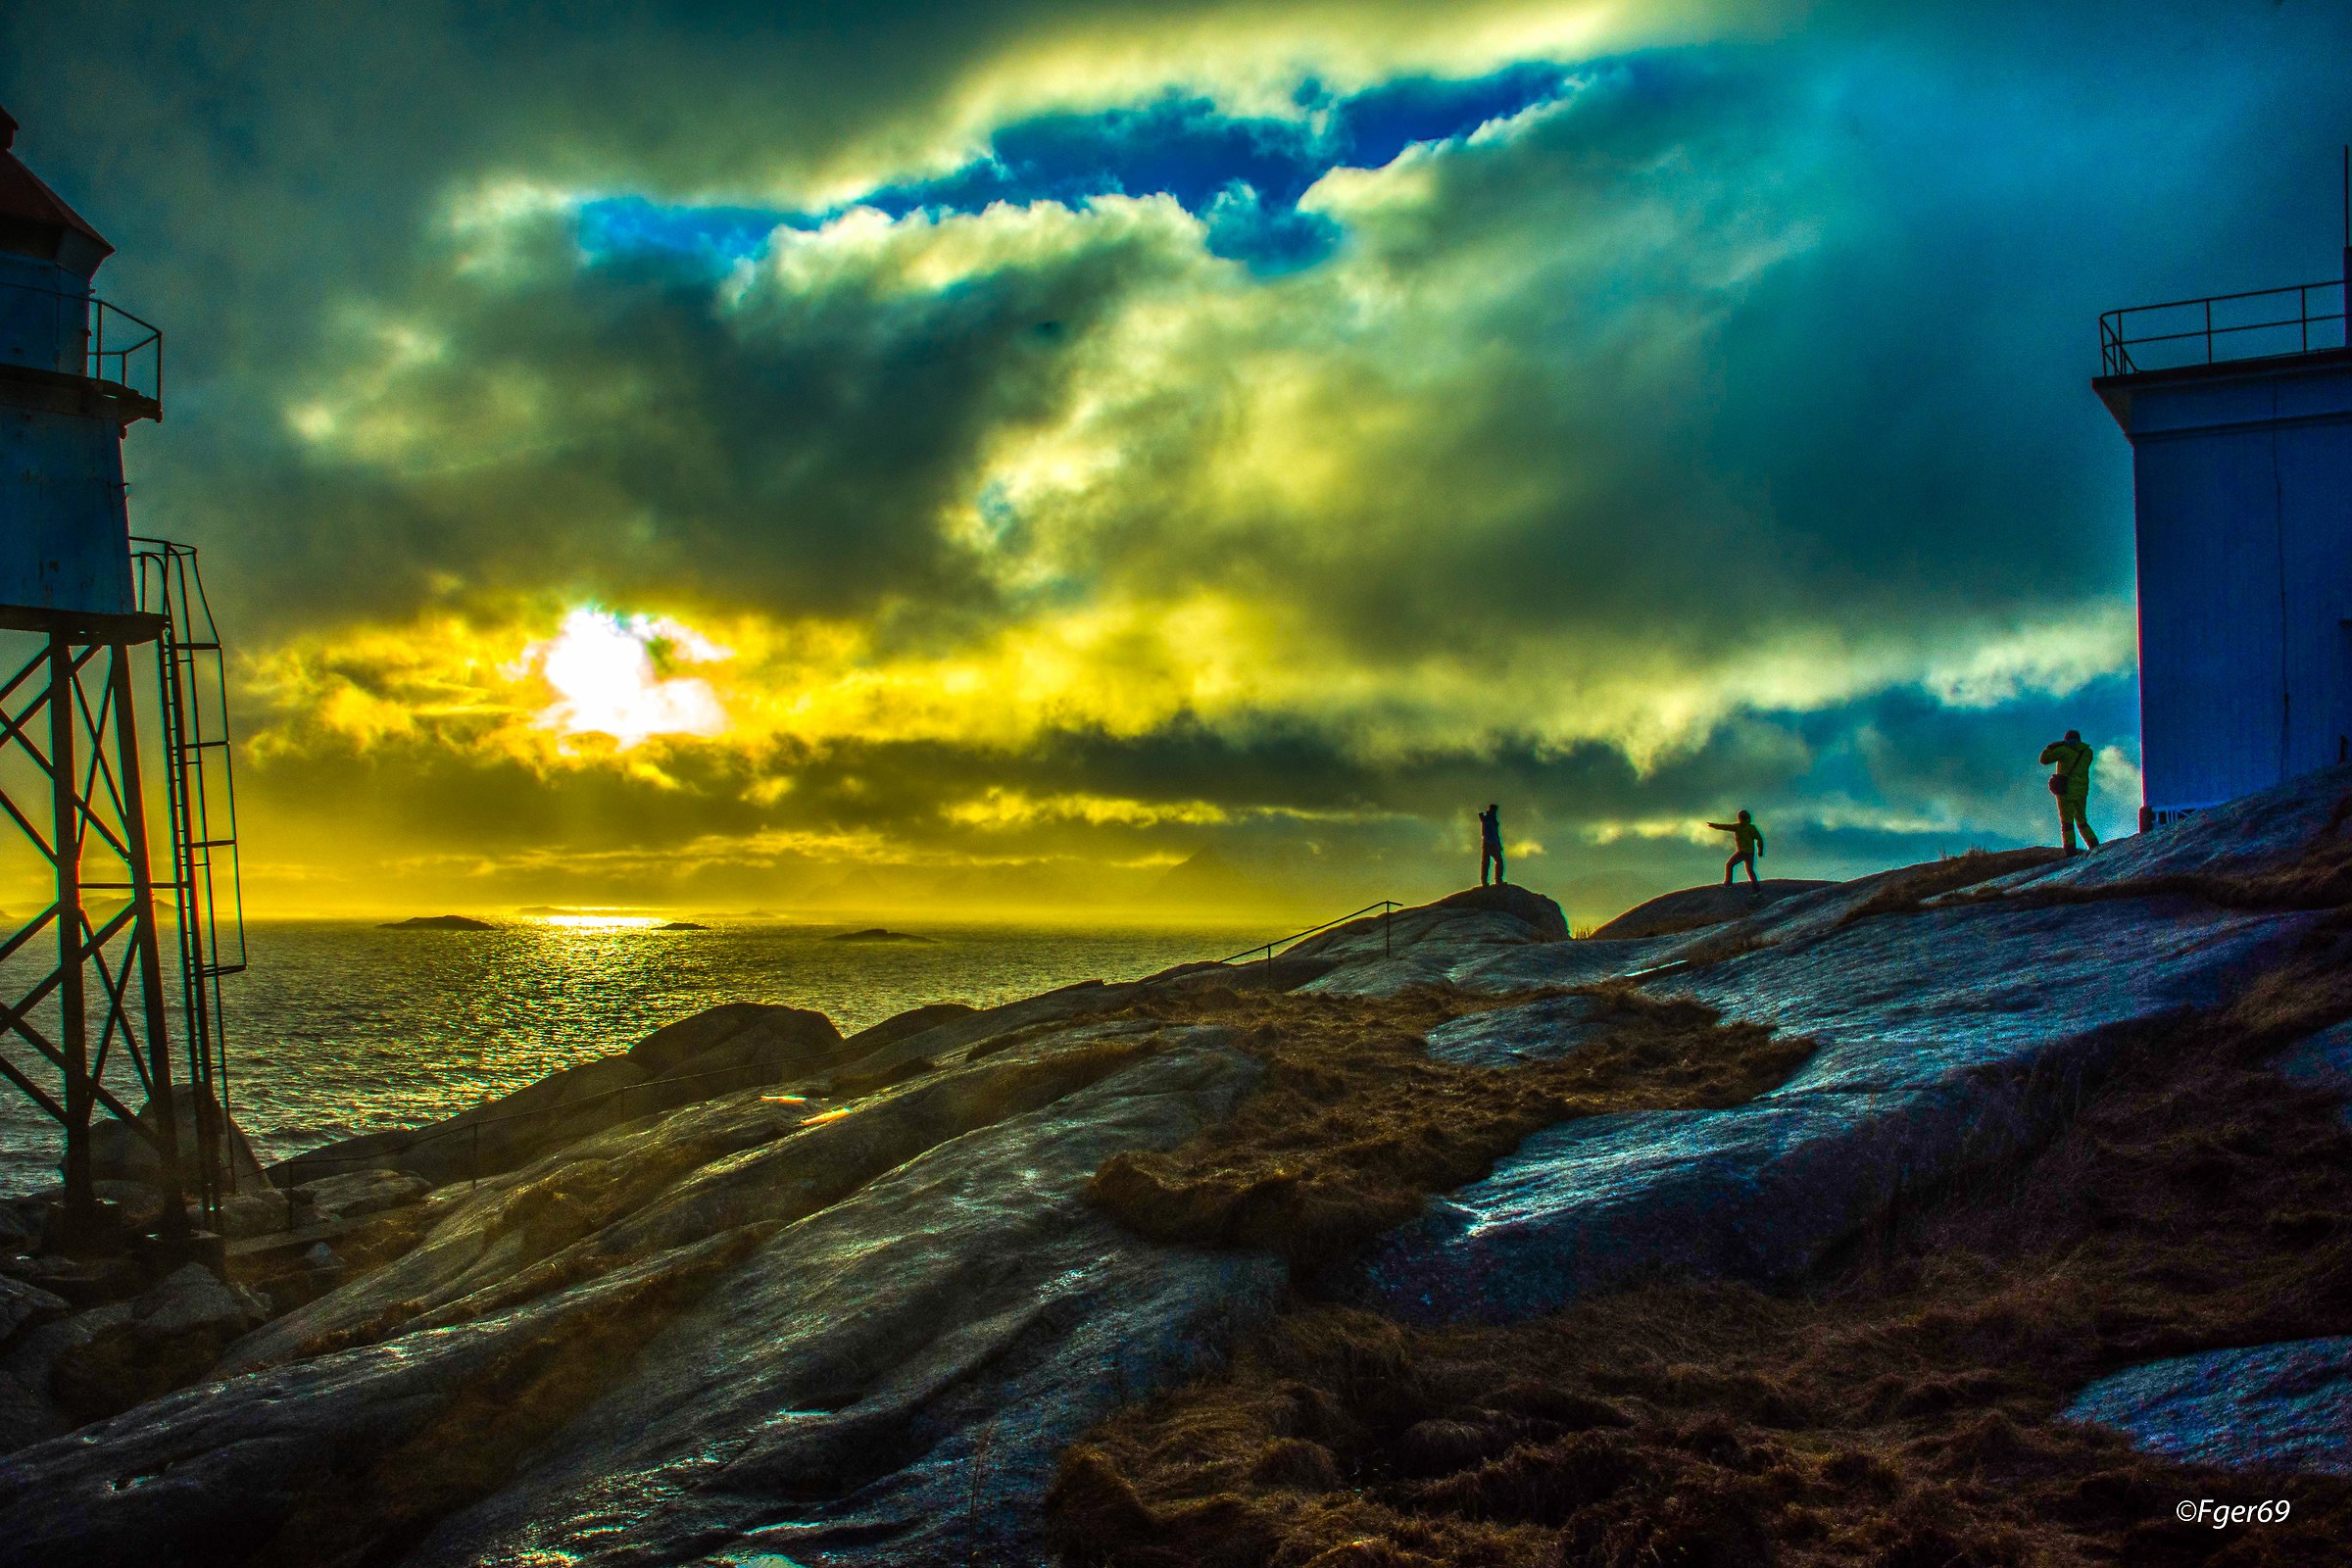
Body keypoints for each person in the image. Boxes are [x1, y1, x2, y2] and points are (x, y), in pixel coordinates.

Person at [2039, 729, 2100, 854]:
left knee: (2067, 823)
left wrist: (2051, 747)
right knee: (2082, 821)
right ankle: (2094, 845)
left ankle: (2070, 849)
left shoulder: (2064, 751)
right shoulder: (2087, 752)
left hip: (2065, 791)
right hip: (2082, 792)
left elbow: (2044, 759)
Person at [1708, 808, 1764, 886]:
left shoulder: (1740, 827)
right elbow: (1759, 839)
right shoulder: (1749, 827)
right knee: (1750, 870)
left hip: (1743, 852)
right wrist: (1760, 851)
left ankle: (1728, 884)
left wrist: (1714, 825)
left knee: (1729, 865)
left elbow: (1726, 827)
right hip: (1750, 852)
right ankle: (1757, 888)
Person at [1479, 804, 1505, 886]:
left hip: (1487, 842)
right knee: (1499, 861)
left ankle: (1484, 881)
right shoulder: (1490, 819)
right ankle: (1498, 880)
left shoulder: (1487, 818)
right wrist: (1497, 845)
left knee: (1486, 862)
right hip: (1491, 843)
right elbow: (1493, 834)